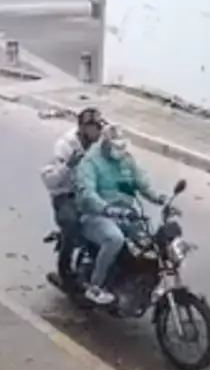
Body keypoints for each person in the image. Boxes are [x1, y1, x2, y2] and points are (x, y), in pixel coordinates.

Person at [74, 133, 168, 305]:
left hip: (126, 214)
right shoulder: (90, 162)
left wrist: (160, 198)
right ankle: (95, 287)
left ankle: (138, 283)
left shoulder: (126, 160)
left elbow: (142, 183)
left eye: (123, 147)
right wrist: (106, 208)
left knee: (149, 244)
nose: (120, 151)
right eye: (116, 147)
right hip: (96, 215)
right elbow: (87, 193)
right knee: (115, 238)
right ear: (106, 144)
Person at [40, 107, 104, 285]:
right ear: (82, 128)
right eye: (92, 127)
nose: (97, 132)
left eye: (99, 127)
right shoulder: (64, 146)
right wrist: (68, 166)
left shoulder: (101, 145)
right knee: (71, 223)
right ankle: (65, 270)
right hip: (66, 195)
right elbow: (50, 180)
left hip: (92, 192)